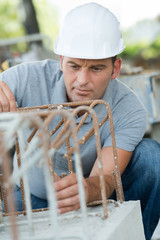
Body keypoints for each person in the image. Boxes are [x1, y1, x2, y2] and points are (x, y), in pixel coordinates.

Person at [0, 3, 159, 239]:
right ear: (61, 60)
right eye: (74, 66)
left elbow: (104, 178)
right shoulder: (24, 78)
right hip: (29, 193)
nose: (82, 80)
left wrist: (89, 189)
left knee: (151, 156)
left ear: (115, 68)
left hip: (95, 196)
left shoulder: (129, 108)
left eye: (96, 68)